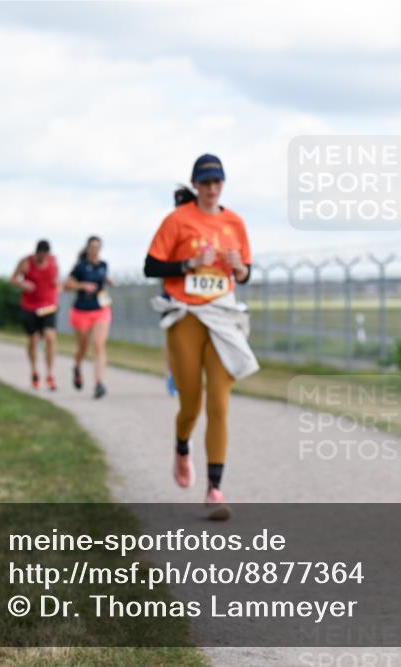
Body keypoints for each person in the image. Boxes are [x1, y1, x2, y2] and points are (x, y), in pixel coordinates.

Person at [144, 154, 259, 521]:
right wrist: (187, 265)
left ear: (223, 184)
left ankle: (214, 487)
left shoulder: (234, 222)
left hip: (223, 314)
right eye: (205, 182)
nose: (212, 189)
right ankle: (181, 447)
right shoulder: (177, 221)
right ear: (195, 185)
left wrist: (239, 268)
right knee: (191, 402)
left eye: (217, 182)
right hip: (187, 315)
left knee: (220, 404)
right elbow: (151, 266)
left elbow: (245, 273)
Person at [64, 236, 113, 399]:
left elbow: (102, 278)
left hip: (100, 309)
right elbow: (67, 284)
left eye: (97, 247)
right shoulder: (80, 266)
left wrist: (108, 281)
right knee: (83, 348)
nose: (95, 250)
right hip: (81, 310)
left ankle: (99, 383)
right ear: (87, 248)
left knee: (99, 345)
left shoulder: (104, 265)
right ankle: (77, 367)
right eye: (92, 247)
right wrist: (82, 285)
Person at [11, 240, 60, 390]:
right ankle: (34, 371)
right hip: (30, 307)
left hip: (48, 306)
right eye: (41, 255)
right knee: (33, 339)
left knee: (50, 337)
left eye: (46, 255)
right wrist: (22, 284)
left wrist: (57, 287)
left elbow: (54, 280)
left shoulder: (53, 262)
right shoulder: (25, 262)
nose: (43, 257)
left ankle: (50, 374)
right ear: (36, 252)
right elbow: (12, 279)